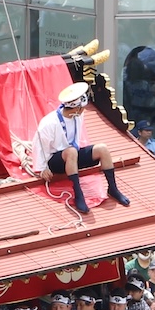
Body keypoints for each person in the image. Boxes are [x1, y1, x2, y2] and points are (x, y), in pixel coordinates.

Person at [34, 82, 128, 215]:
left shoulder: (78, 116)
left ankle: (113, 188)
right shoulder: (49, 122)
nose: (84, 110)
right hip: (55, 160)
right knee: (71, 152)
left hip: (73, 155)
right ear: (76, 108)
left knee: (103, 148)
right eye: (82, 107)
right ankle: (78, 194)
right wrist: (42, 167)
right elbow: (39, 145)